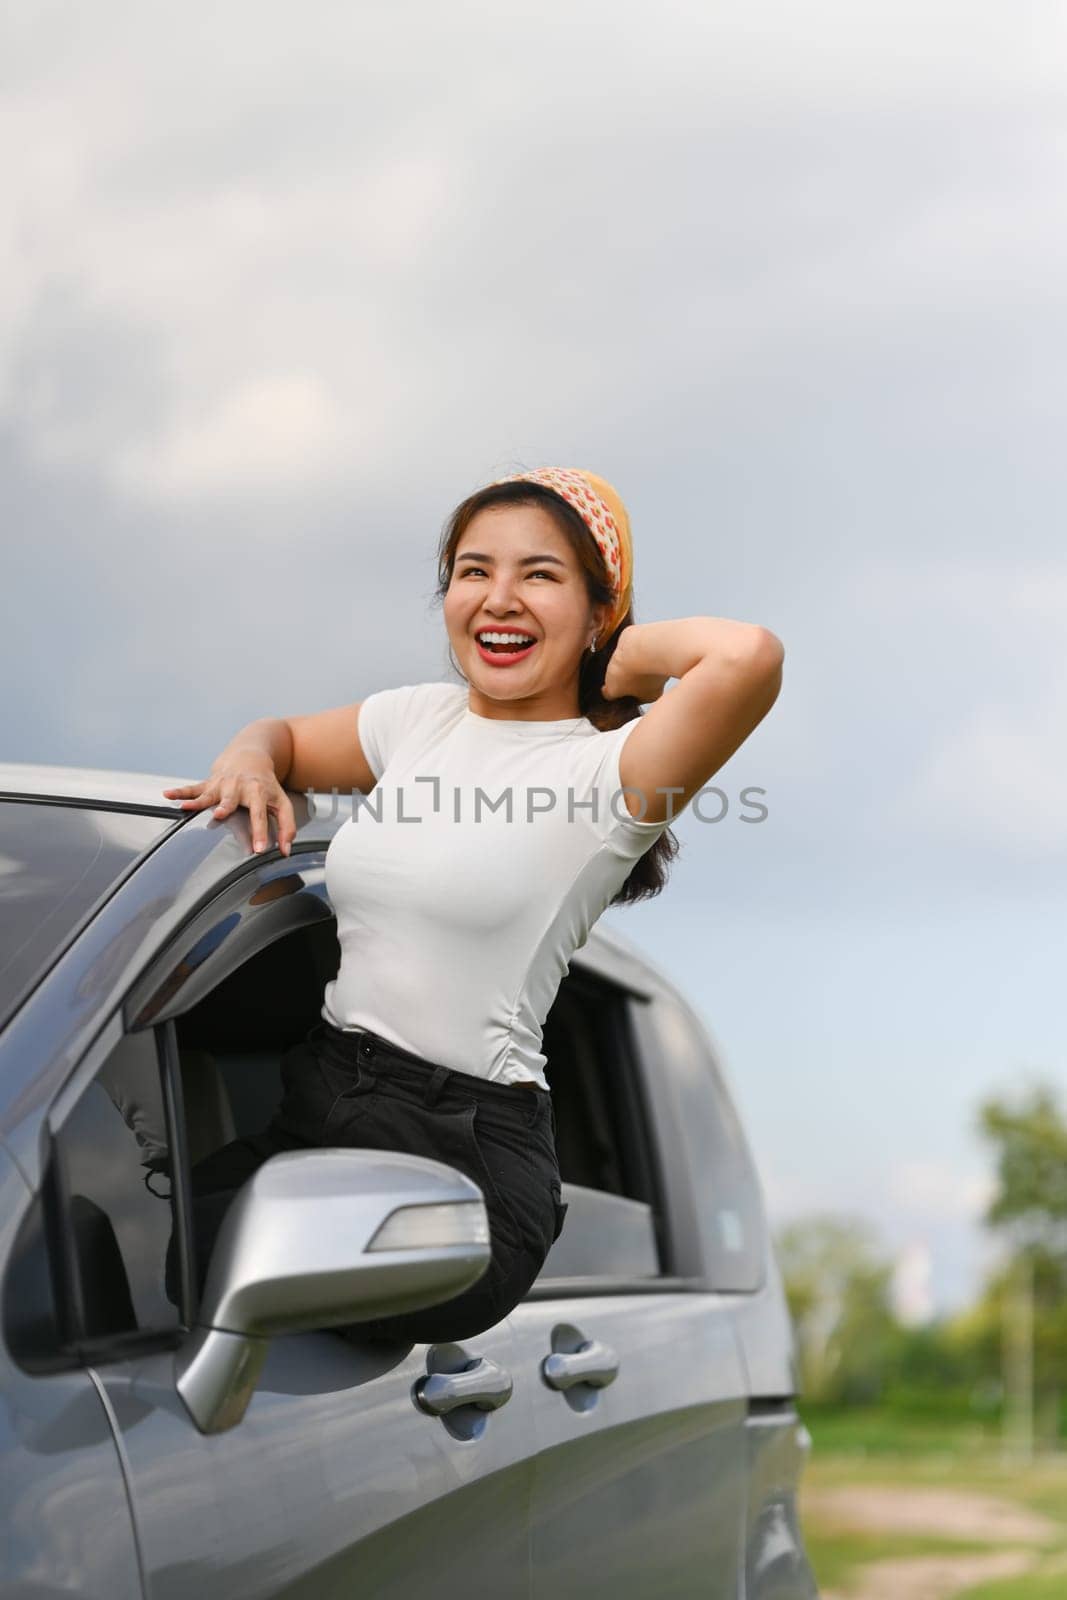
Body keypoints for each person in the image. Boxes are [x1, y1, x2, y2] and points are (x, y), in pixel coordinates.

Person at [161, 466, 784, 1344]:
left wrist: (617, 655)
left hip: (461, 1153)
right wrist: (249, 759)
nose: (499, 599)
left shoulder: (617, 773)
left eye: (540, 575)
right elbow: (286, 739)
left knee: (228, 1306)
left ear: (599, 609)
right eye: (472, 571)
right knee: (147, 1264)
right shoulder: (421, 720)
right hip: (321, 1104)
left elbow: (748, 656)